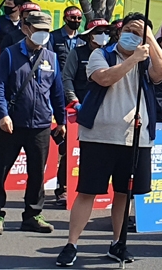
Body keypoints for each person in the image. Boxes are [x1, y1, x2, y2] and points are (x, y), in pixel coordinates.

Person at [56, 13, 162, 267]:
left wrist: (149, 36)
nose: (132, 34)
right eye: (129, 29)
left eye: (138, 32)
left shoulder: (146, 58)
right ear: (119, 32)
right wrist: (133, 59)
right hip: (99, 136)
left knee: (124, 193)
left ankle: (118, 243)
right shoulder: (101, 54)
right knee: (87, 191)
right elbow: (104, 78)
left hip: (135, 138)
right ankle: (72, 243)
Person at [0, 11, 66, 235]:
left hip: (40, 125)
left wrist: (61, 120)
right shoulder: (10, 54)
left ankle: (33, 215)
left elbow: (57, 92)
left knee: (37, 173)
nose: (42, 34)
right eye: (38, 30)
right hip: (11, 123)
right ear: (26, 28)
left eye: (46, 31)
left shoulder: (51, 57)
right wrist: (2, 115)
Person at [57, 18, 111, 204]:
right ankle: (63, 188)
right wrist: (73, 100)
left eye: (106, 31)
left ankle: (100, 190)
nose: (103, 35)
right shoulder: (77, 53)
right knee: (71, 149)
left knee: (99, 151)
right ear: (90, 35)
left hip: (103, 107)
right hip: (79, 107)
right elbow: (67, 77)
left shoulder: (109, 54)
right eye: (99, 32)